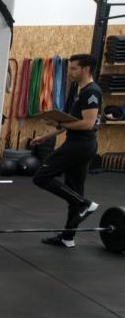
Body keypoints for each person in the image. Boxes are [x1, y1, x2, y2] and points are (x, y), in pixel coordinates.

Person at [30, 53, 101, 248]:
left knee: (41, 176)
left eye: (73, 68)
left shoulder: (91, 92)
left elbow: (87, 124)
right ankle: (68, 237)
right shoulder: (81, 91)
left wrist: (59, 121)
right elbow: (69, 124)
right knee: (73, 190)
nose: (69, 72)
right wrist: (44, 136)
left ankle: (85, 203)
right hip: (80, 144)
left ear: (86, 69)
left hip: (80, 145)